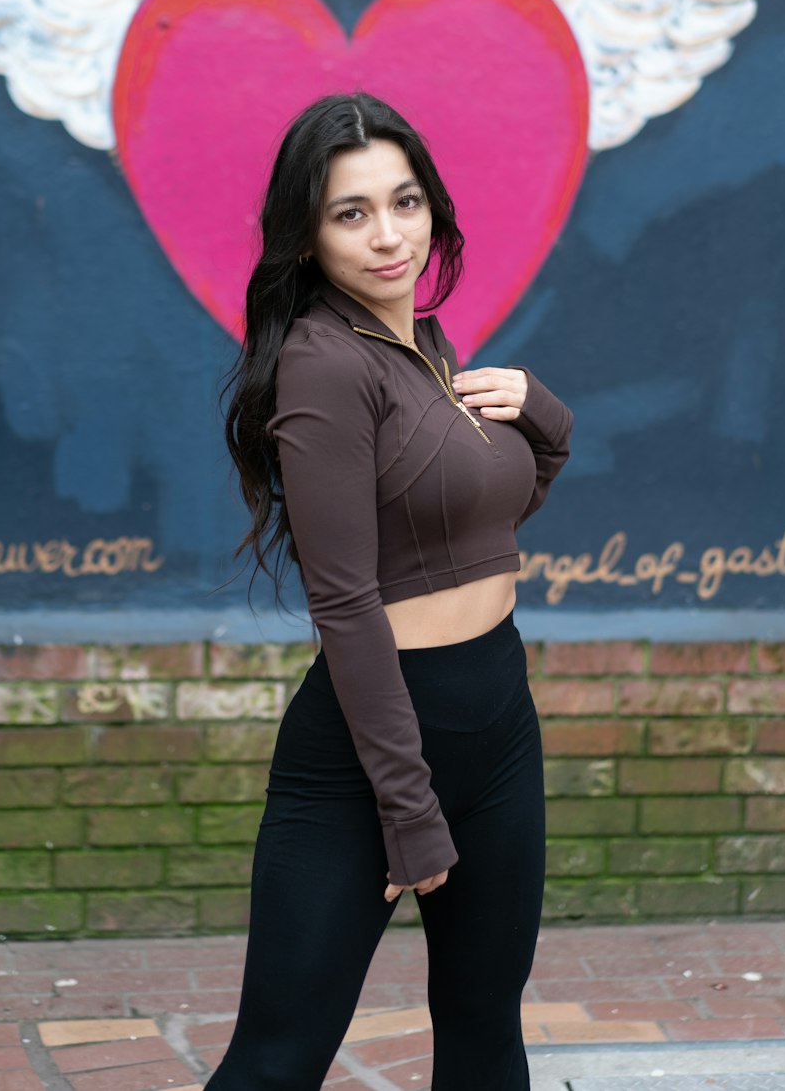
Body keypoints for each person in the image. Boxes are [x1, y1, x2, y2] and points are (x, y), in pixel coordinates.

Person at [208, 91, 574, 1090]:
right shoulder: (324, 366)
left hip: (496, 721)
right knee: (279, 1058)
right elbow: (347, 602)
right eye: (350, 212)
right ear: (307, 232)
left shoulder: (428, 345)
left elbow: (477, 530)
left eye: (403, 202)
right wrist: (406, 803)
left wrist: (544, 416)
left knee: (484, 1029)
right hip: (370, 757)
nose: (387, 235)